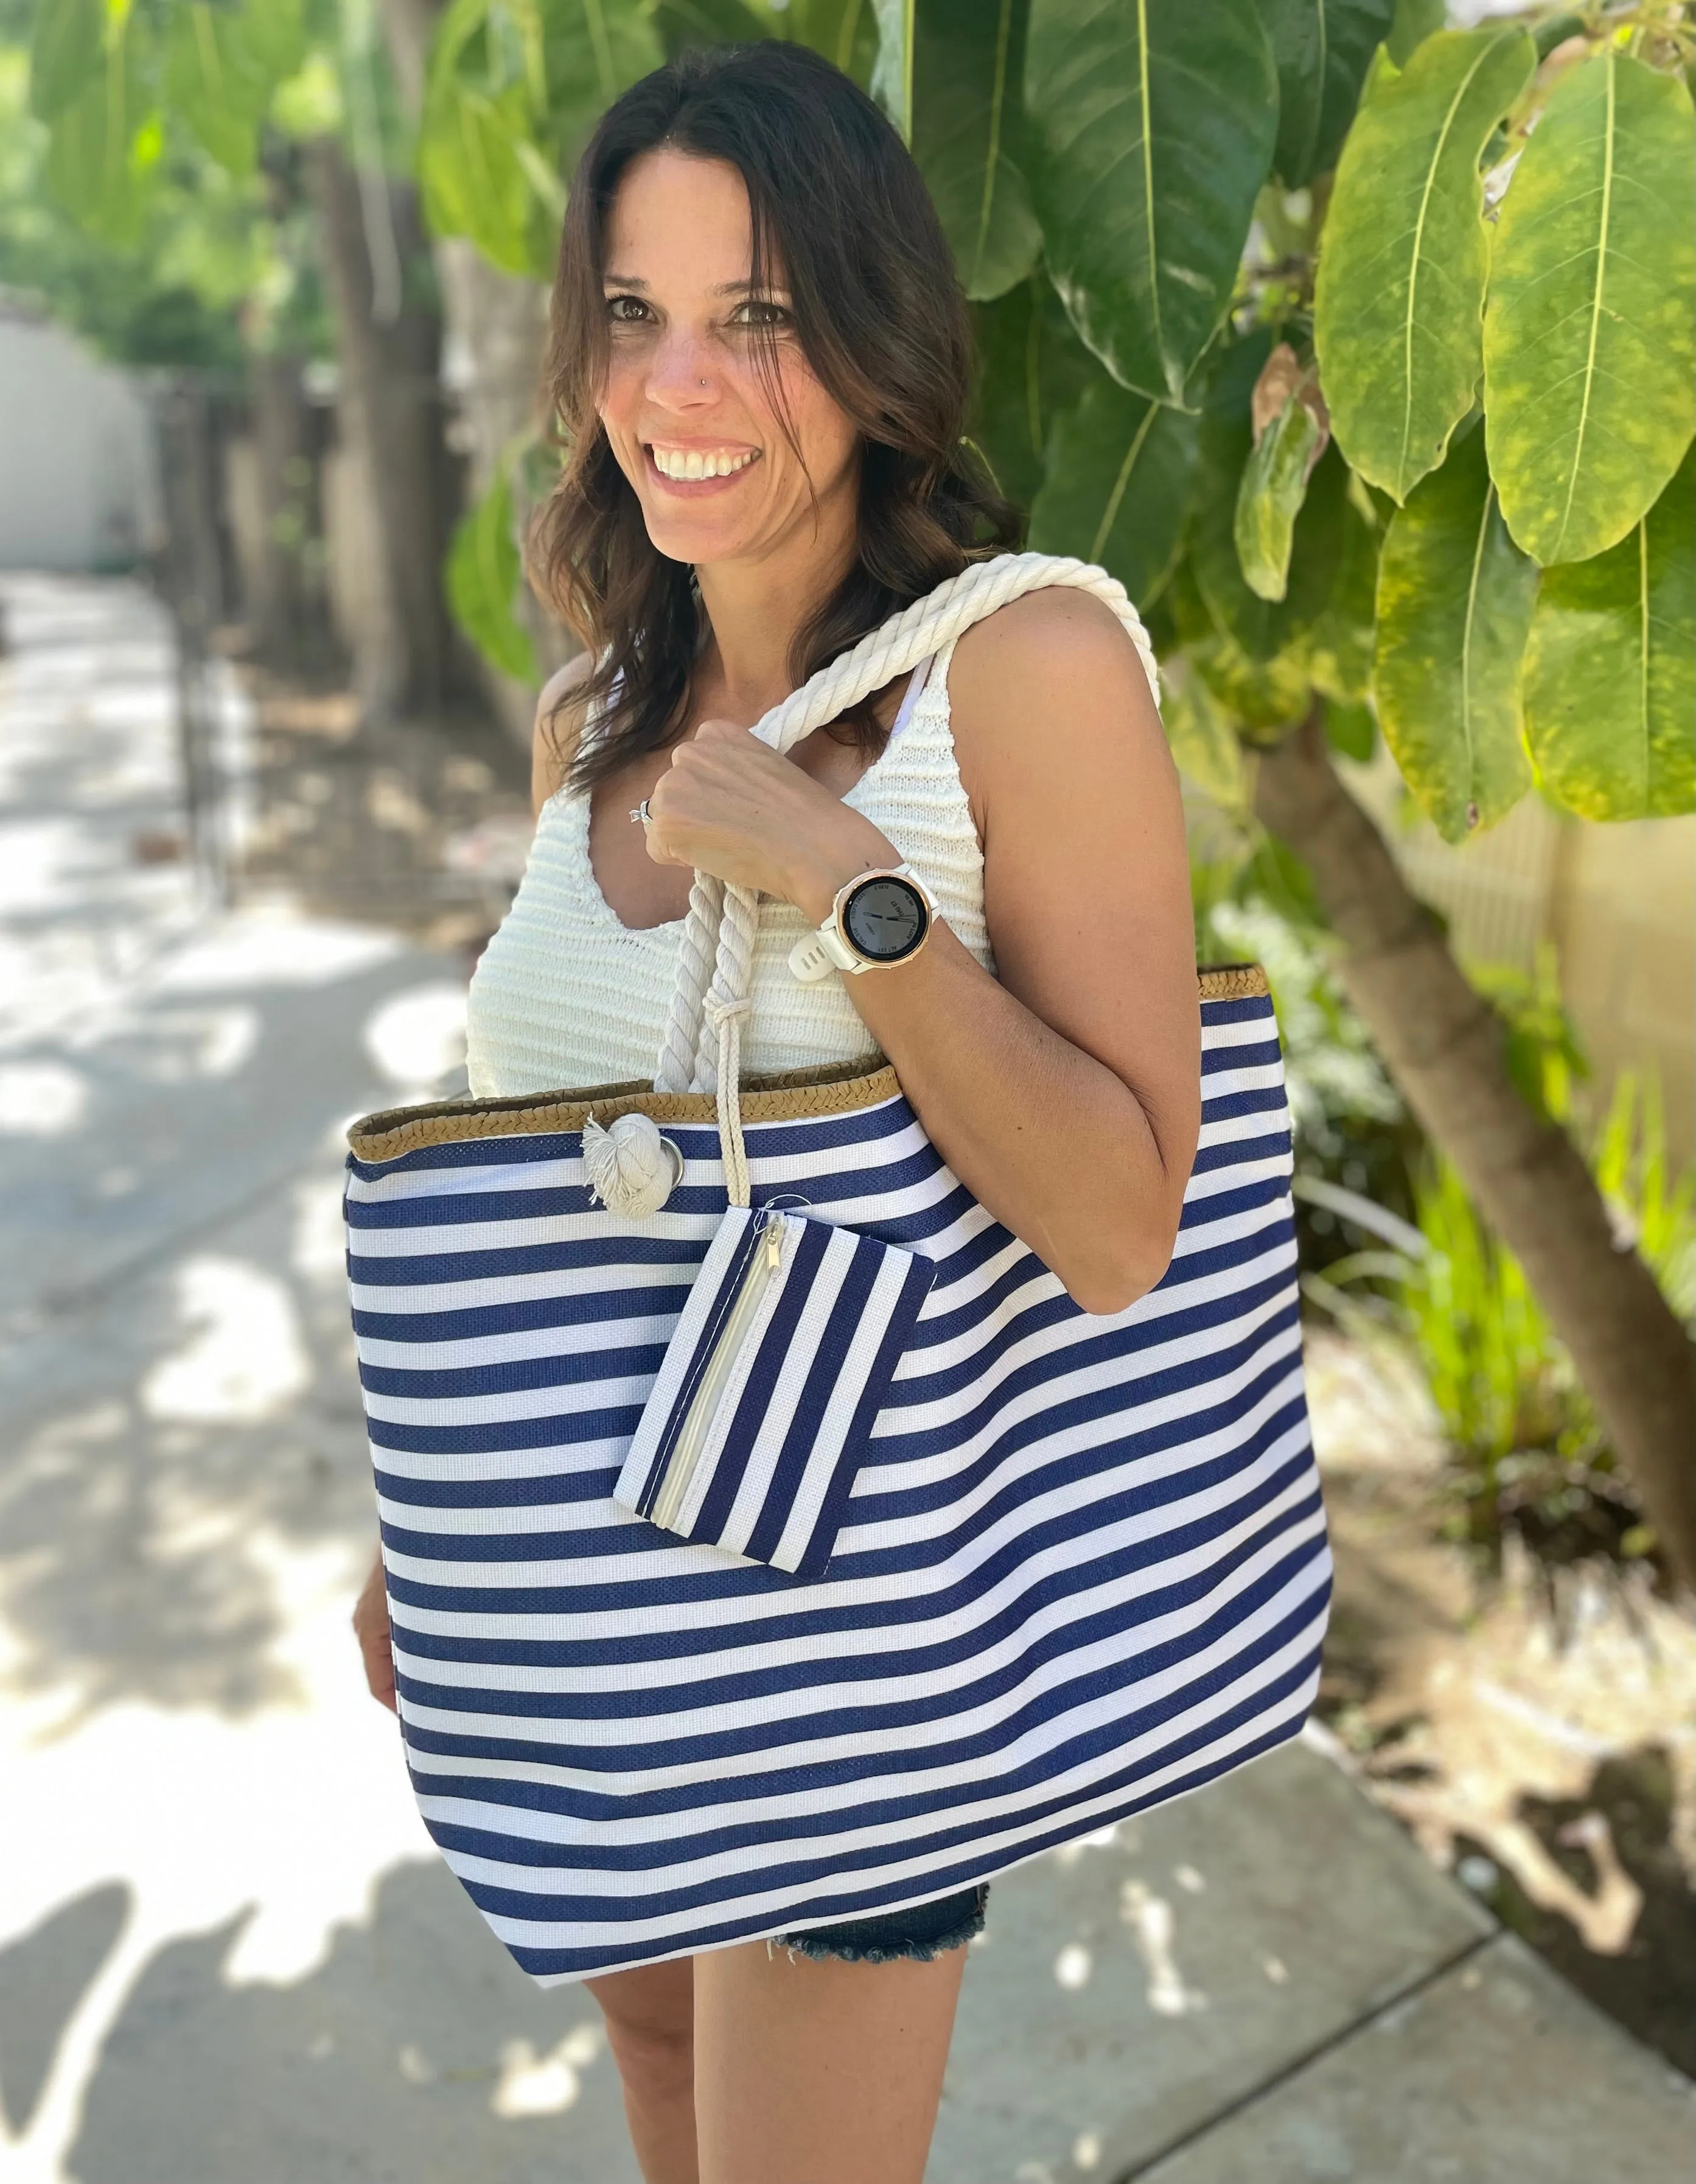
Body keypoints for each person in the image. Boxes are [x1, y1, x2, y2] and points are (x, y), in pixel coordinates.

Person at [354, 41, 1199, 2184]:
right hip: (594, 1592)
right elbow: (544, 1179)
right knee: (658, 2096)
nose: (681, 383)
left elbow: (1120, 1227)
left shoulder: (1019, 671)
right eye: (634, 314)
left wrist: (859, 895)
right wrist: (436, 1535)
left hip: (853, 1642)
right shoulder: (590, 721)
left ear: (877, 339)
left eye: (757, 316)